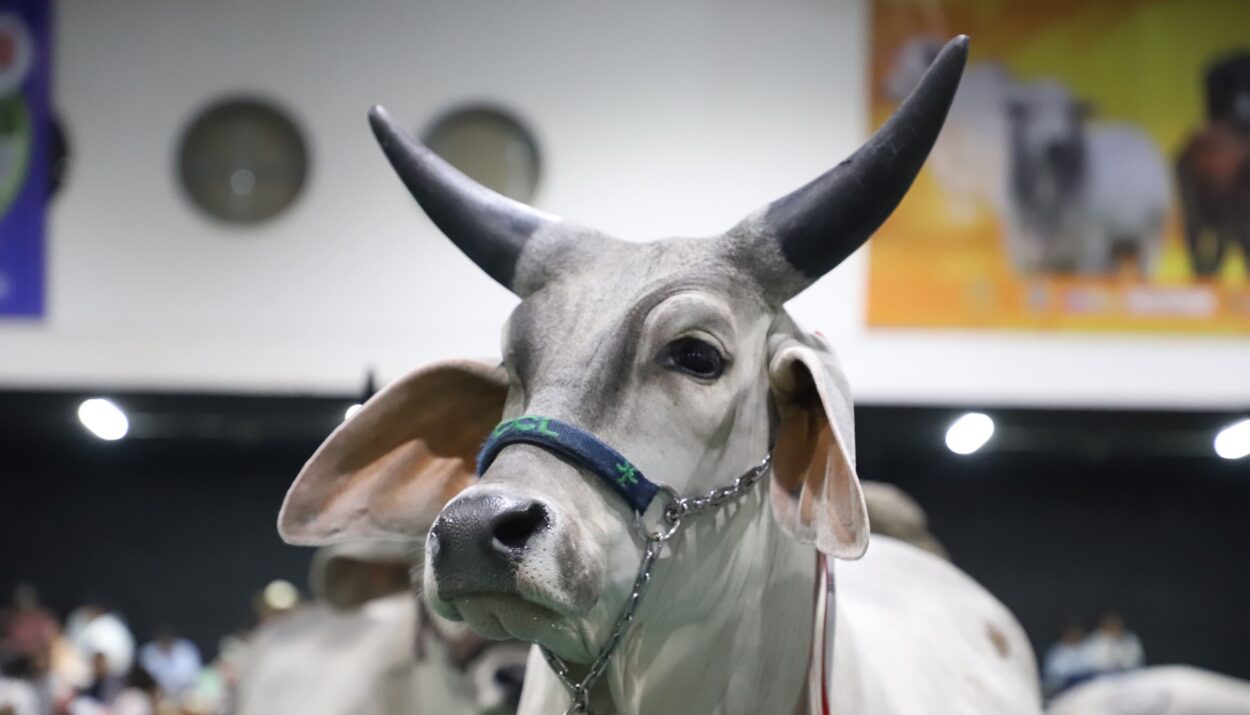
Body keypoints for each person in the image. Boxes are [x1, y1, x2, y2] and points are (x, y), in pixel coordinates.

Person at [65, 604, 133, 678]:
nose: (99, 664)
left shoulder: (106, 629)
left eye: (100, 659)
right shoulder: (91, 631)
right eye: (98, 660)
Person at [137, 627, 200, 699]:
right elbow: (145, 678)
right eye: (163, 640)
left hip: (184, 694)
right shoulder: (148, 652)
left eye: (168, 640)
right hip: (154, 695)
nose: (165, 642)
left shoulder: (186, 650)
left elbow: (192, 677)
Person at [1043, 623, 1093, 696]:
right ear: (1066, 635)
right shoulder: (1057, 650)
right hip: (1061, 687)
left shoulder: (1085, 649)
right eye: (1073, 634)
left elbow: (1090, 668)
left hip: (1081, 687)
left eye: (1078, 635)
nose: (1076, 637)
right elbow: (1053, 673)